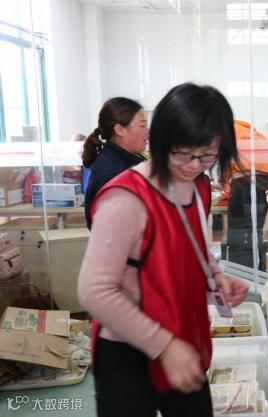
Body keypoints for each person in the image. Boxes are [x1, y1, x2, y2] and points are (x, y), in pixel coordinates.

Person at [78, 83, 249, 417]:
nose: (194, 165)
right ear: (161, 139)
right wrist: (164, 346)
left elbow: (193, 246)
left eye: (208, 156)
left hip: (181, 334)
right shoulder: (125, 198)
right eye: (184, 153)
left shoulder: (195, 186)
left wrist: (216, 277)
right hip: (128, 346)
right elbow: (93, 290)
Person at [82, 97, 149, 229]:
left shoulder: (131, 160)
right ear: (119, 130)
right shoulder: (112, 174)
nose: (147, 131)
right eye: (142, 126)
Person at [223, 120, 268, 270]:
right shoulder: (253, 133)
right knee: (255, 229)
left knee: (238, 230)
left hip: (243, 179)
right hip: (265, 178)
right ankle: (258, 270)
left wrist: (225, 186)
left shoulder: (227, 131)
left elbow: (224, 160)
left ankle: (241, 271)